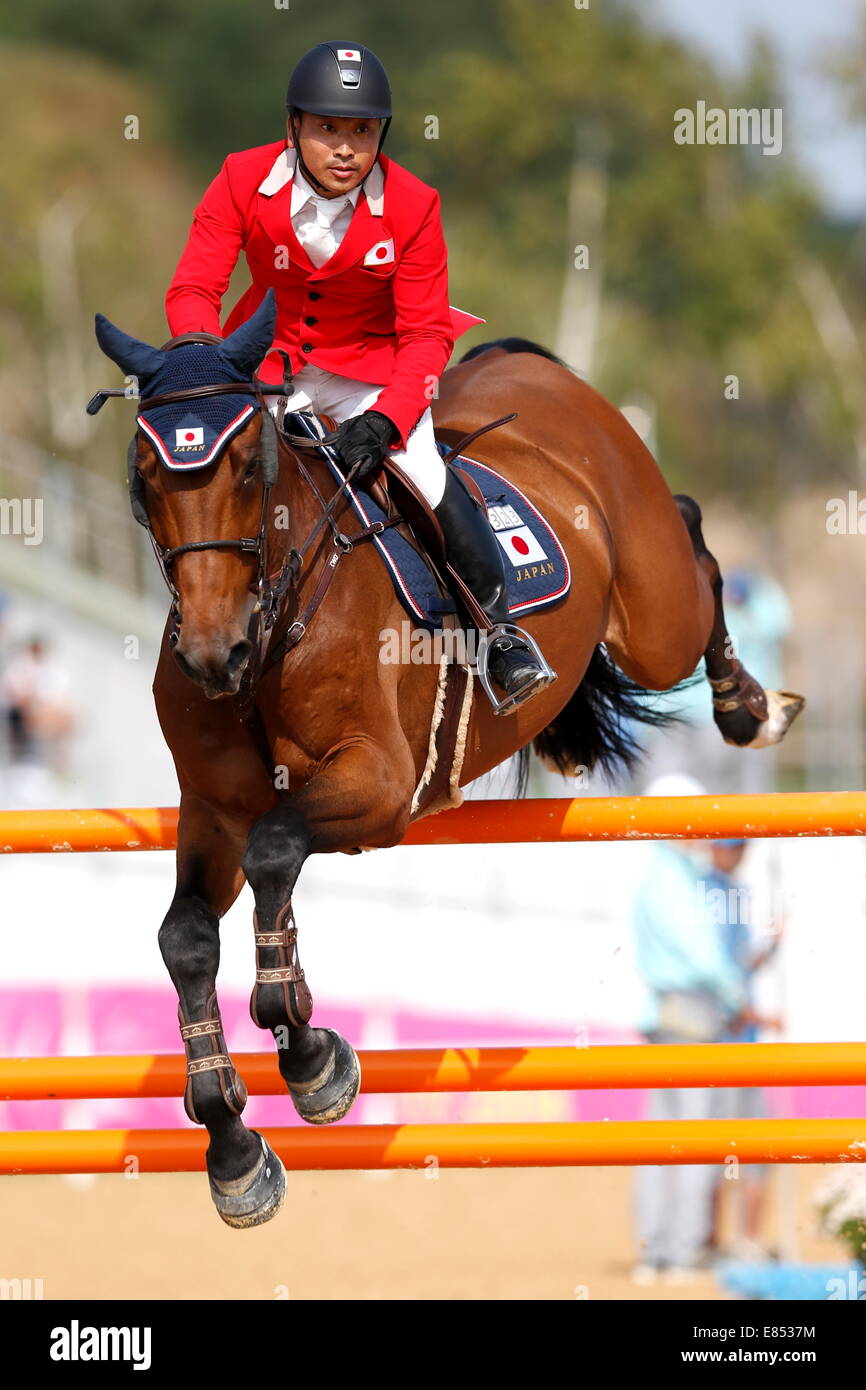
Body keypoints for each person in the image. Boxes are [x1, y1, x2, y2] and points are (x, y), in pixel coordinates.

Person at [164, 40, 552, 709]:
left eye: (362, 132)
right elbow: (195, 288)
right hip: (264, 364)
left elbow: (427, 334)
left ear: (381, 136)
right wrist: (205, 356)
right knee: (202, 472)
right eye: (328, 129)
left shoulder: (413, 204)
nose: (345, 148)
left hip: (373, 370)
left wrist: (386, 419)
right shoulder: (240, 178)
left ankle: (498, 636)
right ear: (294, 127)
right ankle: (201, 618)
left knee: (426, 476)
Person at [629, 775, 748, 1284]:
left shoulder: (658, 875)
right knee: (694, 1139)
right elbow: (703, 956)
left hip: (666, 1014)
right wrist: (736, 993)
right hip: (696, 1016)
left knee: (661, 1140)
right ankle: (677, 1252)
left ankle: (656, 1248)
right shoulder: (675, 878)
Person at [705, 838, 783, 1261]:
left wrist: (771, 947)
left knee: (747, 1145)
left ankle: (739, 1239)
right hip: (723, 1049)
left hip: (739, 1048)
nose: (737, 854)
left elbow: (733, 971)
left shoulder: (730, 896)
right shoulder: (710, 899)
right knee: (722, 1147)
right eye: (730, 846)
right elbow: (718, 984)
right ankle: (715, 1239)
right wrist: (756, 1016)